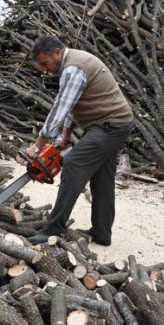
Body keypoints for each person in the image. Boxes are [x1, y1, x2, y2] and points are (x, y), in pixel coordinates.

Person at [27, 36, 133, 246]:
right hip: (113, 124)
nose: (44, 70)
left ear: (57, 52)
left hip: (110, 125)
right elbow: (70, 104)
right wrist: (65, 136)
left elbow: (60, 109)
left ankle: (53, 230)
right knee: (102, 178)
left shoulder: (73, 68)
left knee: (73, 164)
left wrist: (38, 145)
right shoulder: (72, 66)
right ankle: (102, 233)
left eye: (44, 63)